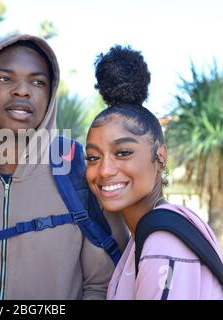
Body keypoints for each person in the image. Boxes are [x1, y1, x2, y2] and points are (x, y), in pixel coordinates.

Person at [0, 34, 129, 300]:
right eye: (5, 78)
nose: (22, 90)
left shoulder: (81, 167)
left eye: (37, 81)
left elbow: (100, 286)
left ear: (50, 94)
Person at [85, 45, 223, 299]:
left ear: (160, 156)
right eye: (93, 157)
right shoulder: (151, 231)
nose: (104, 170)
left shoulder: (162, 242)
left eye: (123, 152)